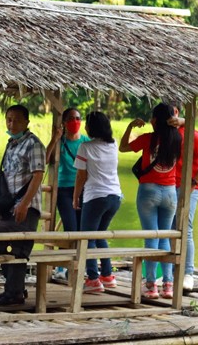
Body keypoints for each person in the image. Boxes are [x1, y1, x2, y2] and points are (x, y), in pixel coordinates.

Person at [0, 104, 45, 306]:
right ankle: (15, 290)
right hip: (8, 206)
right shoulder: (11, 143)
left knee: (18, 247)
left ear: (27, 121)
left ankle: (14, 293)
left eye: (17, 119)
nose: (12, 123)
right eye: (9, 119)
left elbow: (38, 176)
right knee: (6, 247)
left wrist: (24, 204)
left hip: (26, 206)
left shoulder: (34, 144)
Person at [119, 103, 181, 300]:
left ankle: (151, 285)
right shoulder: (178, 138)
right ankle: (168, 285)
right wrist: (181, 122)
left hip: (148, 191)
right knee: (164, 238)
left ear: (154, 120)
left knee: (151, 238)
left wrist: (130, 126)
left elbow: (123, 147)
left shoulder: (148, 139)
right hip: (171, 192)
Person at [72, 111, 122, 293]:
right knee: (100, 234)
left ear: (91, 128)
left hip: (95, 197)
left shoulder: (85, 147)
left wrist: (75, 196)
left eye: (87, 124)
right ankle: (107, 275)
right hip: (115, 196)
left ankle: (93, 278)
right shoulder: (113, 144)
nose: (84, 126)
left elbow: (81, 175)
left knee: (87, 238)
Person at [168, 104, 198, 291]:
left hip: (189, 187)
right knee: (169, 228)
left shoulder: (192, 134)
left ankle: (188, 273)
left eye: (171, 112)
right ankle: (169, 272)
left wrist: (193, 183)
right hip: (169, 185)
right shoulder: (167, 133)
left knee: (185, 227)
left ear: (177, 112)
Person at [45, 108, 90, 280]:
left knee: (81, 230)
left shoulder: (86, 142)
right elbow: (46, 159)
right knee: (70, 228)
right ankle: (63, 267)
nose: (75, 121)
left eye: (78, 118)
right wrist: (54, 139)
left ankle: (79, 266)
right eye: (71, 118)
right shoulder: (60, 142)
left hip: (84, 189)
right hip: (64, 189)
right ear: (64, 122)